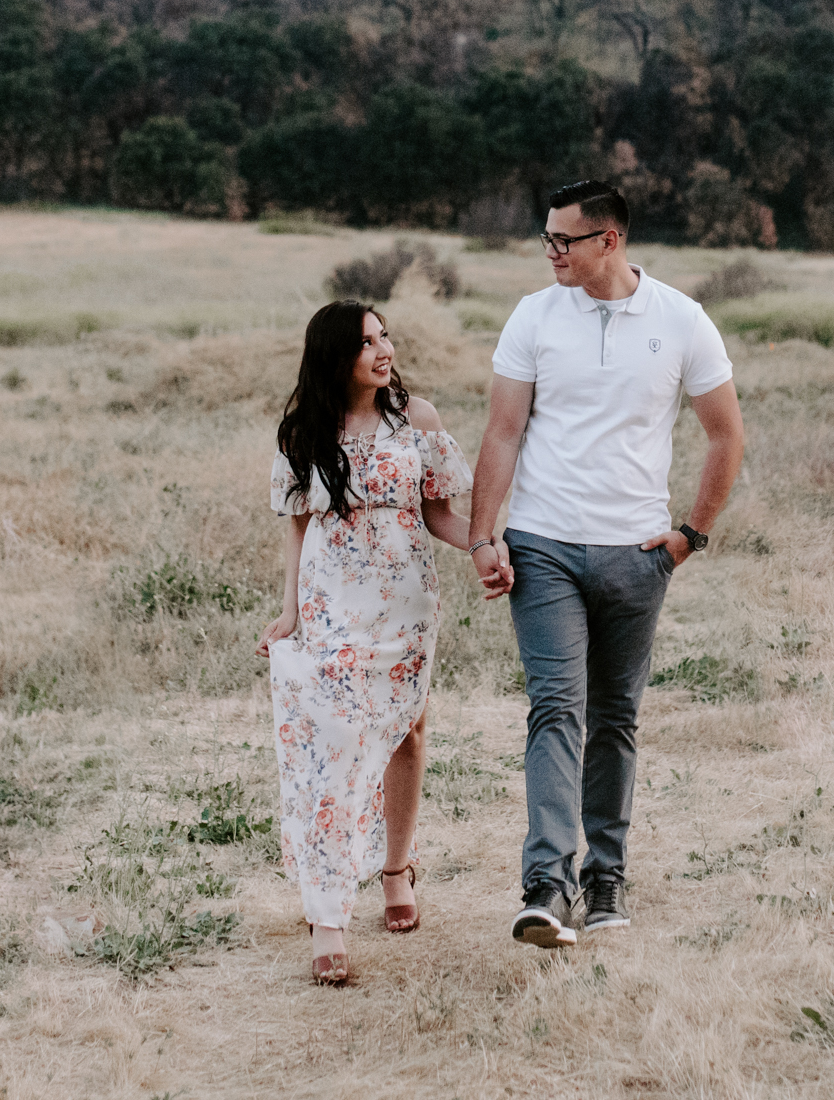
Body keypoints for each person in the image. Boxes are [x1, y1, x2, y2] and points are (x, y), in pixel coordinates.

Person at [468, 179, 747, 946]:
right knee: (557, 707)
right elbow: (502, 431)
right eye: (547, 238)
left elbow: (725, 433)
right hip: (544, 545)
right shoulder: (534, 314)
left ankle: (606, 877)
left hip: (636, 552)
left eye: (565, 239)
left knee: (615, 720)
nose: (552, 251)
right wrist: (483, 535)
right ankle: (547, 887)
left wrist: (691, 533)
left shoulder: (682, 320)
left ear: (610, 241)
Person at [258, 300, 489, 985]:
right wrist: (290, 613)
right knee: (333, 745)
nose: (383, 348)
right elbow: (299, 527)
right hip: (332, 609)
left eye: (384, 335)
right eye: (366, 341)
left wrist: (486, 546)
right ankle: (328, 913)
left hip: (405, 610)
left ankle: (396, 867)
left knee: (407, 735)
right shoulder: (305, 430)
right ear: (336, 356)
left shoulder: (416, 420)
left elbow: (442, 514)